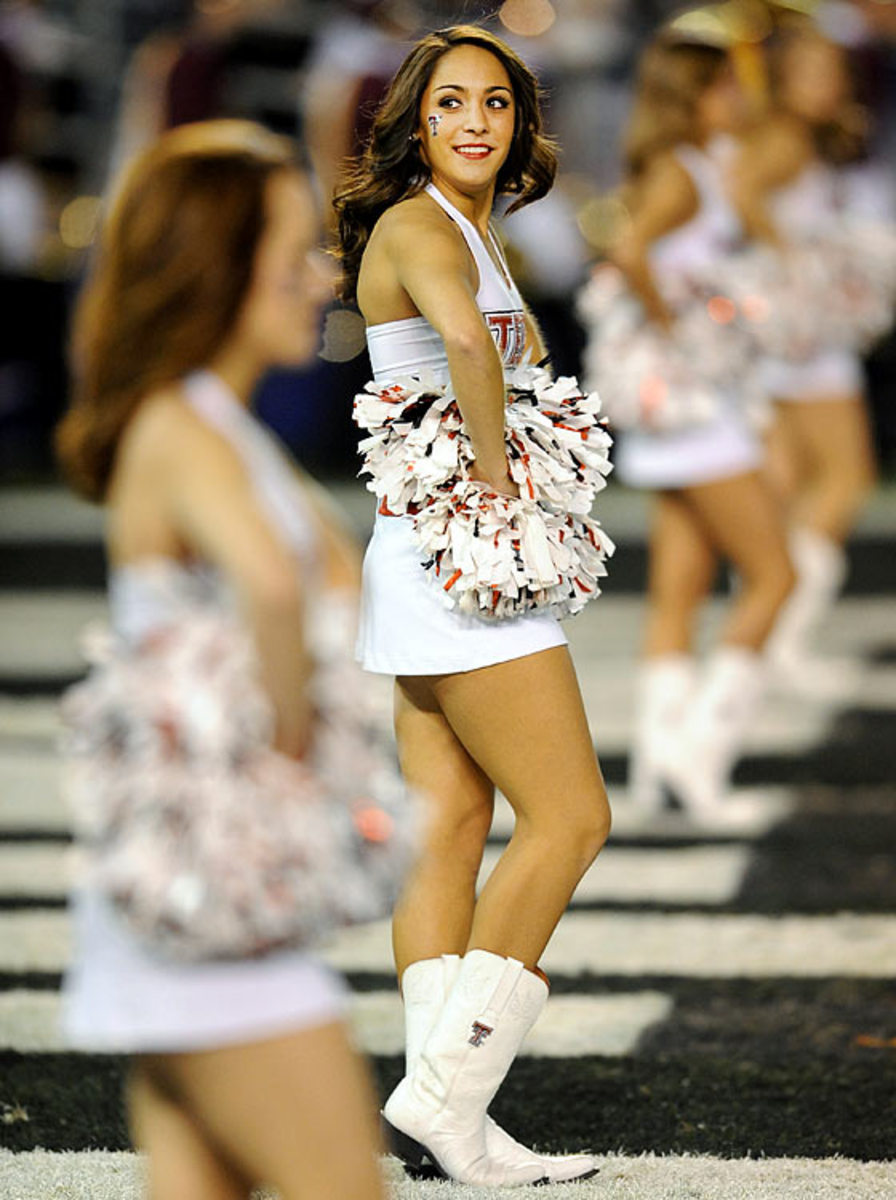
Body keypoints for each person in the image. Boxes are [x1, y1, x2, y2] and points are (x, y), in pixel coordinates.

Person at [55, 120, 385, 1200]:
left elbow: (328, 572)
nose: (321, 275)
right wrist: (291, 771)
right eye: (292, 252)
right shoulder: (183, 430)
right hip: (212, 892)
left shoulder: (216, 426)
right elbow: (277, 585)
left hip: (198, 898)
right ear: (217, 268)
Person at [333, 24, 607, 1187]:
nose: (475, 122)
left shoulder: (474, 231)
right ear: (414, 120)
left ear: (518, 123)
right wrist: (500, 483)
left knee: (449, 819)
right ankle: (449, 1092)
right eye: (450, 104)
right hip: (460, 562)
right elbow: (459, 344)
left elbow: (507, 350)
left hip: (423, 557)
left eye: (494, 103)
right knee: (572, 819)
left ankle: (447, 1115)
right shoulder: (413, 224)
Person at [589, 33, 794, 816]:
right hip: (692, 405)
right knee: (775, 574)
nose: (736, 99)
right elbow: (631, 250)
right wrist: (676, 329)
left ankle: (657, 762)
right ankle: (699, 755)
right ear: (691, 95)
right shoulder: (680, 170)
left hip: (684, 406)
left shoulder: (699, 165)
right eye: (721, 88)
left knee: (681, 586)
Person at [731, 24, 881, 692]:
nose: (830, 86)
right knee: (847, 477)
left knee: (786, 487)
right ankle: (778, 636)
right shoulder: (785, 138)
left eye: (834, 73)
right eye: (812, 72)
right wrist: (795, 265)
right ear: (783, 77)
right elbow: (739, 195)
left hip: (791, 339)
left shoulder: (806, 137)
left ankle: (768, 638)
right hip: (804, 341)